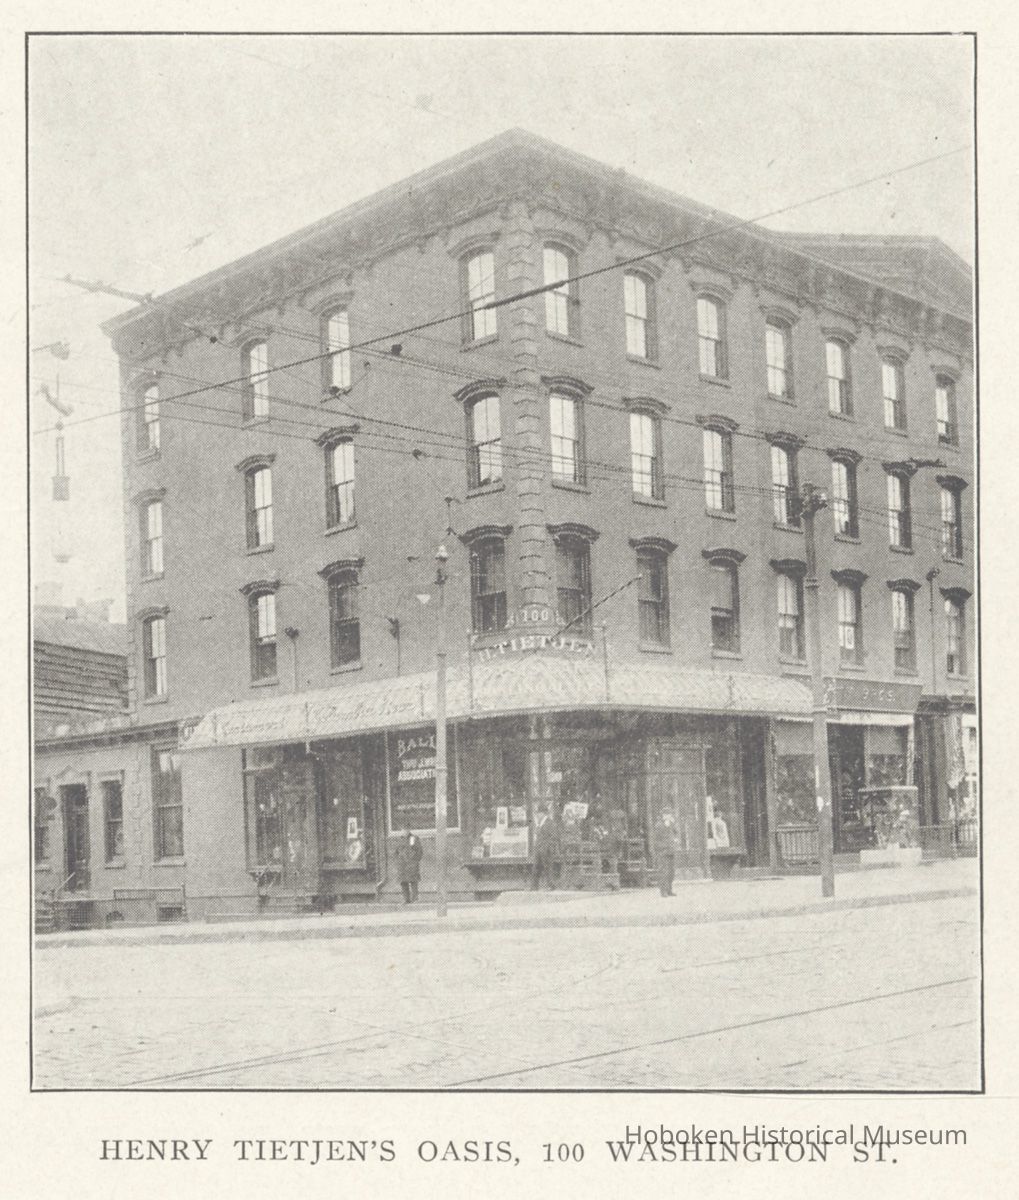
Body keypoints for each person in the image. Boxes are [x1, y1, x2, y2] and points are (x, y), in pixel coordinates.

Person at [531, 804, 560, 890]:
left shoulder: (550, 823)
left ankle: (551, 885)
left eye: (538, 813)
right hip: (539, 849)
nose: (537, 815)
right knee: (536, 867)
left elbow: (554, 837)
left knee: (548, 867)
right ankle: (534, 886)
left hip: (546, 849)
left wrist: (548, 847)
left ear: (543, 813)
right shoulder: (539, 824)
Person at [653, 809, 677, 897]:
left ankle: (669, 890)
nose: (670, 816)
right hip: (663, 851)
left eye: (670, 814)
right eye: (668, 814)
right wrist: (662, 848)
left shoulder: (671, 823)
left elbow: (676, 833)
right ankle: (663, 891)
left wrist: (673, 824)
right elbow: (656, 839)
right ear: (663, 815)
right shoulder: (659, 825)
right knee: (663, 872)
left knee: (671, 871)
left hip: (671, 850)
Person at [395, 830, 423, 903]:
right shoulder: (400, 840)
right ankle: (406, 899)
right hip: (402, 864)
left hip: (411, 864)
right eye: (402, 830)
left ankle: (415, 899)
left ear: (408, 830)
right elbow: (396, 851)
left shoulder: (413, 838)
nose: (403, 831)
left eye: (405, 829)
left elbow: (419, 851)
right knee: (403, 882)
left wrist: (415, 860)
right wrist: (399, 860)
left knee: (413, 881)